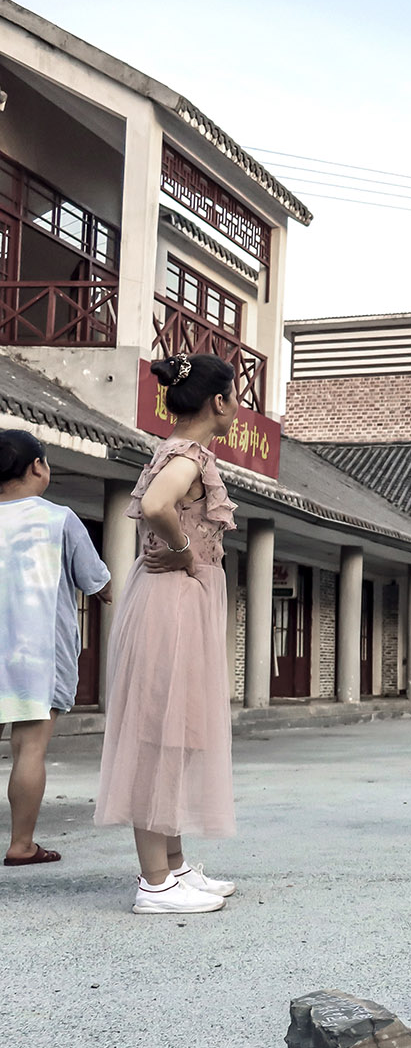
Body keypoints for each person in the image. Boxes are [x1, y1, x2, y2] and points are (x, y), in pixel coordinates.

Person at [94, 355, 242, 913]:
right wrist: (184, 554)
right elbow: (157, 505)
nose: (237, 406)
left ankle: (174, 866)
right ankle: (154, 883)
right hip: (172, 601)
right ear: (218, 403)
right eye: (234, 397)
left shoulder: (182, 452)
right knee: (160, 731)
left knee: (177, 728)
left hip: (177, 599)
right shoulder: (185, 456)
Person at [1, 430, 111, 867]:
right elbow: (98, 583)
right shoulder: (59, 518)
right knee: (29, 750)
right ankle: (21, 844)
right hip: (35, 657)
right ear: (37, 467)